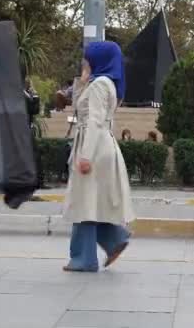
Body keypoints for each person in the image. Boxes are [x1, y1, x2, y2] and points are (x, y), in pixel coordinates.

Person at [62, 41, 134, 272]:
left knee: (84, 202)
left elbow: (92, 120)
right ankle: (114, 240)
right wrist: (81, 81)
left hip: (94, 146)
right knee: (89, 201)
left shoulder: (100, 85)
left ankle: (84, 258)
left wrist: (85, 156)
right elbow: (78, 108)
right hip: (97, 145)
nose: (85, 61)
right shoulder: (102, 83)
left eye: (88, 58)